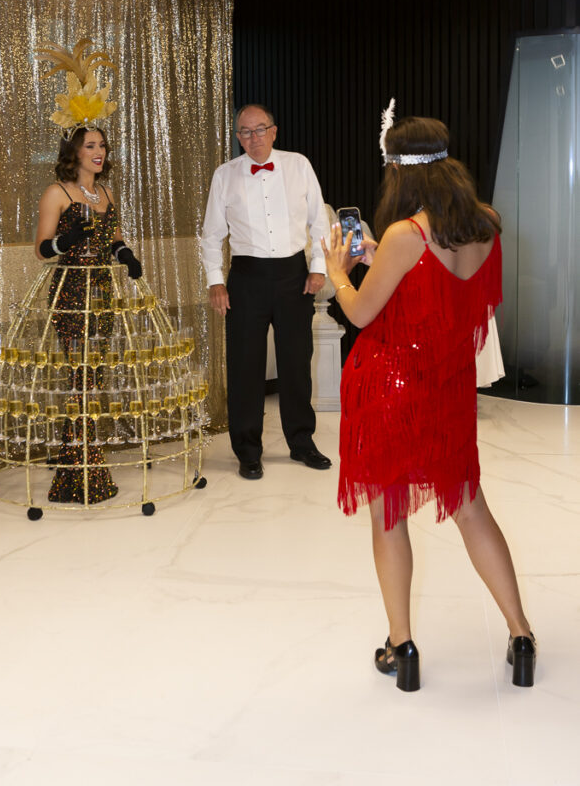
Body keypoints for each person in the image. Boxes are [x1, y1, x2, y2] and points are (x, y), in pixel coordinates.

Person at [322, 112, 535, 691]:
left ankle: (403, 646)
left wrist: (340, 271)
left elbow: (362, 312)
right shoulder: (486, 224)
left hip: (391, 387)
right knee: (471, 507)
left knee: (388, 515)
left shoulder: (403, 235)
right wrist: (376, 263)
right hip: (448, 391)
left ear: (397, 170)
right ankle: (520, 635)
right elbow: (451, 297)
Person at [34, 41, 142, 504]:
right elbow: (41, 251)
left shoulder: (107, 194)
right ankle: (80, 468)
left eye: (101, 145)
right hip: (70, 293)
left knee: (92, 375)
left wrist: (125, 255)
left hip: (103, 293)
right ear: (74, 151)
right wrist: (66, 241)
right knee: (80, 377)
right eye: (90, 145)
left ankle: (74, 451)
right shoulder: (57, 192)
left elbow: (112, 238)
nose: (98, 152)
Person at [201, 104, 331, 479]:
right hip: (246, 277)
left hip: (294, 275)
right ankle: (247, 450)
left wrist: (318, 268)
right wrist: (215, 280)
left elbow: (319, 222)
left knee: (296, 363)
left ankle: (302, 443)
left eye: (260, 130)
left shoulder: (298, 165)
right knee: (245, 366)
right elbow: (211, 235)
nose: (253, 138)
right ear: (237, 136)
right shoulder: (224, 175)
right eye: (245, 132)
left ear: (274, 131)